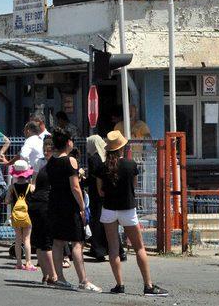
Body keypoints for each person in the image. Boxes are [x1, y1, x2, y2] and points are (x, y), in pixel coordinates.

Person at [97, 131, 168, 296]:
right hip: (127, 209)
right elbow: (134, 185)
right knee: (139, 248)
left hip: (108, 210)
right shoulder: (131, 165)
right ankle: (148, 285)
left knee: (113, 249)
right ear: (122, 148)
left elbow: (101, 192)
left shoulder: (102, 167)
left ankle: (119, 285)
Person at [47, 127, 101, 292]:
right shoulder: (70, 161)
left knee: (57, 241)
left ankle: (59, 277)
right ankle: (83, 280)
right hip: (69, 206)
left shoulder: (51, 160)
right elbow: (75, 187)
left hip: (54, 204)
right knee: (77, 242)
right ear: (68, 142)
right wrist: (83, 206)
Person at [85, 135, 126, 263]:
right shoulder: (105, 157)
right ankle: (120, 251)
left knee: (97, 223)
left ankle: (99, 250)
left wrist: (81, 180)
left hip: (96, 195)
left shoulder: (93, 158)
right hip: (107, 195)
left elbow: (93, 178)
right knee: (109, 225)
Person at [29, 137, 63, 286]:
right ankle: (53, 276)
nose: (46, 152)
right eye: (45, 150)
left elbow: (34, 182)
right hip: (45, 205)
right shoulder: (52, 166)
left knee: (40, 242)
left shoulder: (44, 167)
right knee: (47, 243)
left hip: (36, 204)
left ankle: (46, 275)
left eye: (49, 150)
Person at [6, 160, 35, 271]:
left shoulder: (12, 187)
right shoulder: (31, 187)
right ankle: (28, 262)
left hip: (16, 216)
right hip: (28, 216)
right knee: (27, 238)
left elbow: (7, 200)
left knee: (18, 238)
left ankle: (19, 263)